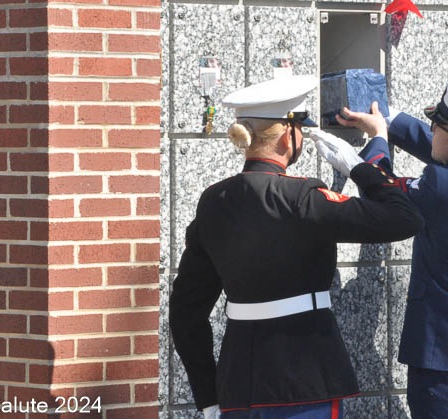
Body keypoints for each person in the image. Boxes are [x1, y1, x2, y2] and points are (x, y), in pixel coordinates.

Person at [169, 75, 424, 419]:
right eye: (300, 127)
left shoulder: (213, 201)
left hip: (238, 386)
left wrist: (208, 397)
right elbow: (405, 218)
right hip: (307, 382)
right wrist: (359, 167)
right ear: (287, 135)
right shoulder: (302, 197)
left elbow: (186, 311)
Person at [313, 75, 448, 418]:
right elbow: (440, 144)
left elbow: (386, 191)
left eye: (437, 125)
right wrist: (387, 117)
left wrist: (374, 144)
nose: (431, 129)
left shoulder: (441, 187)